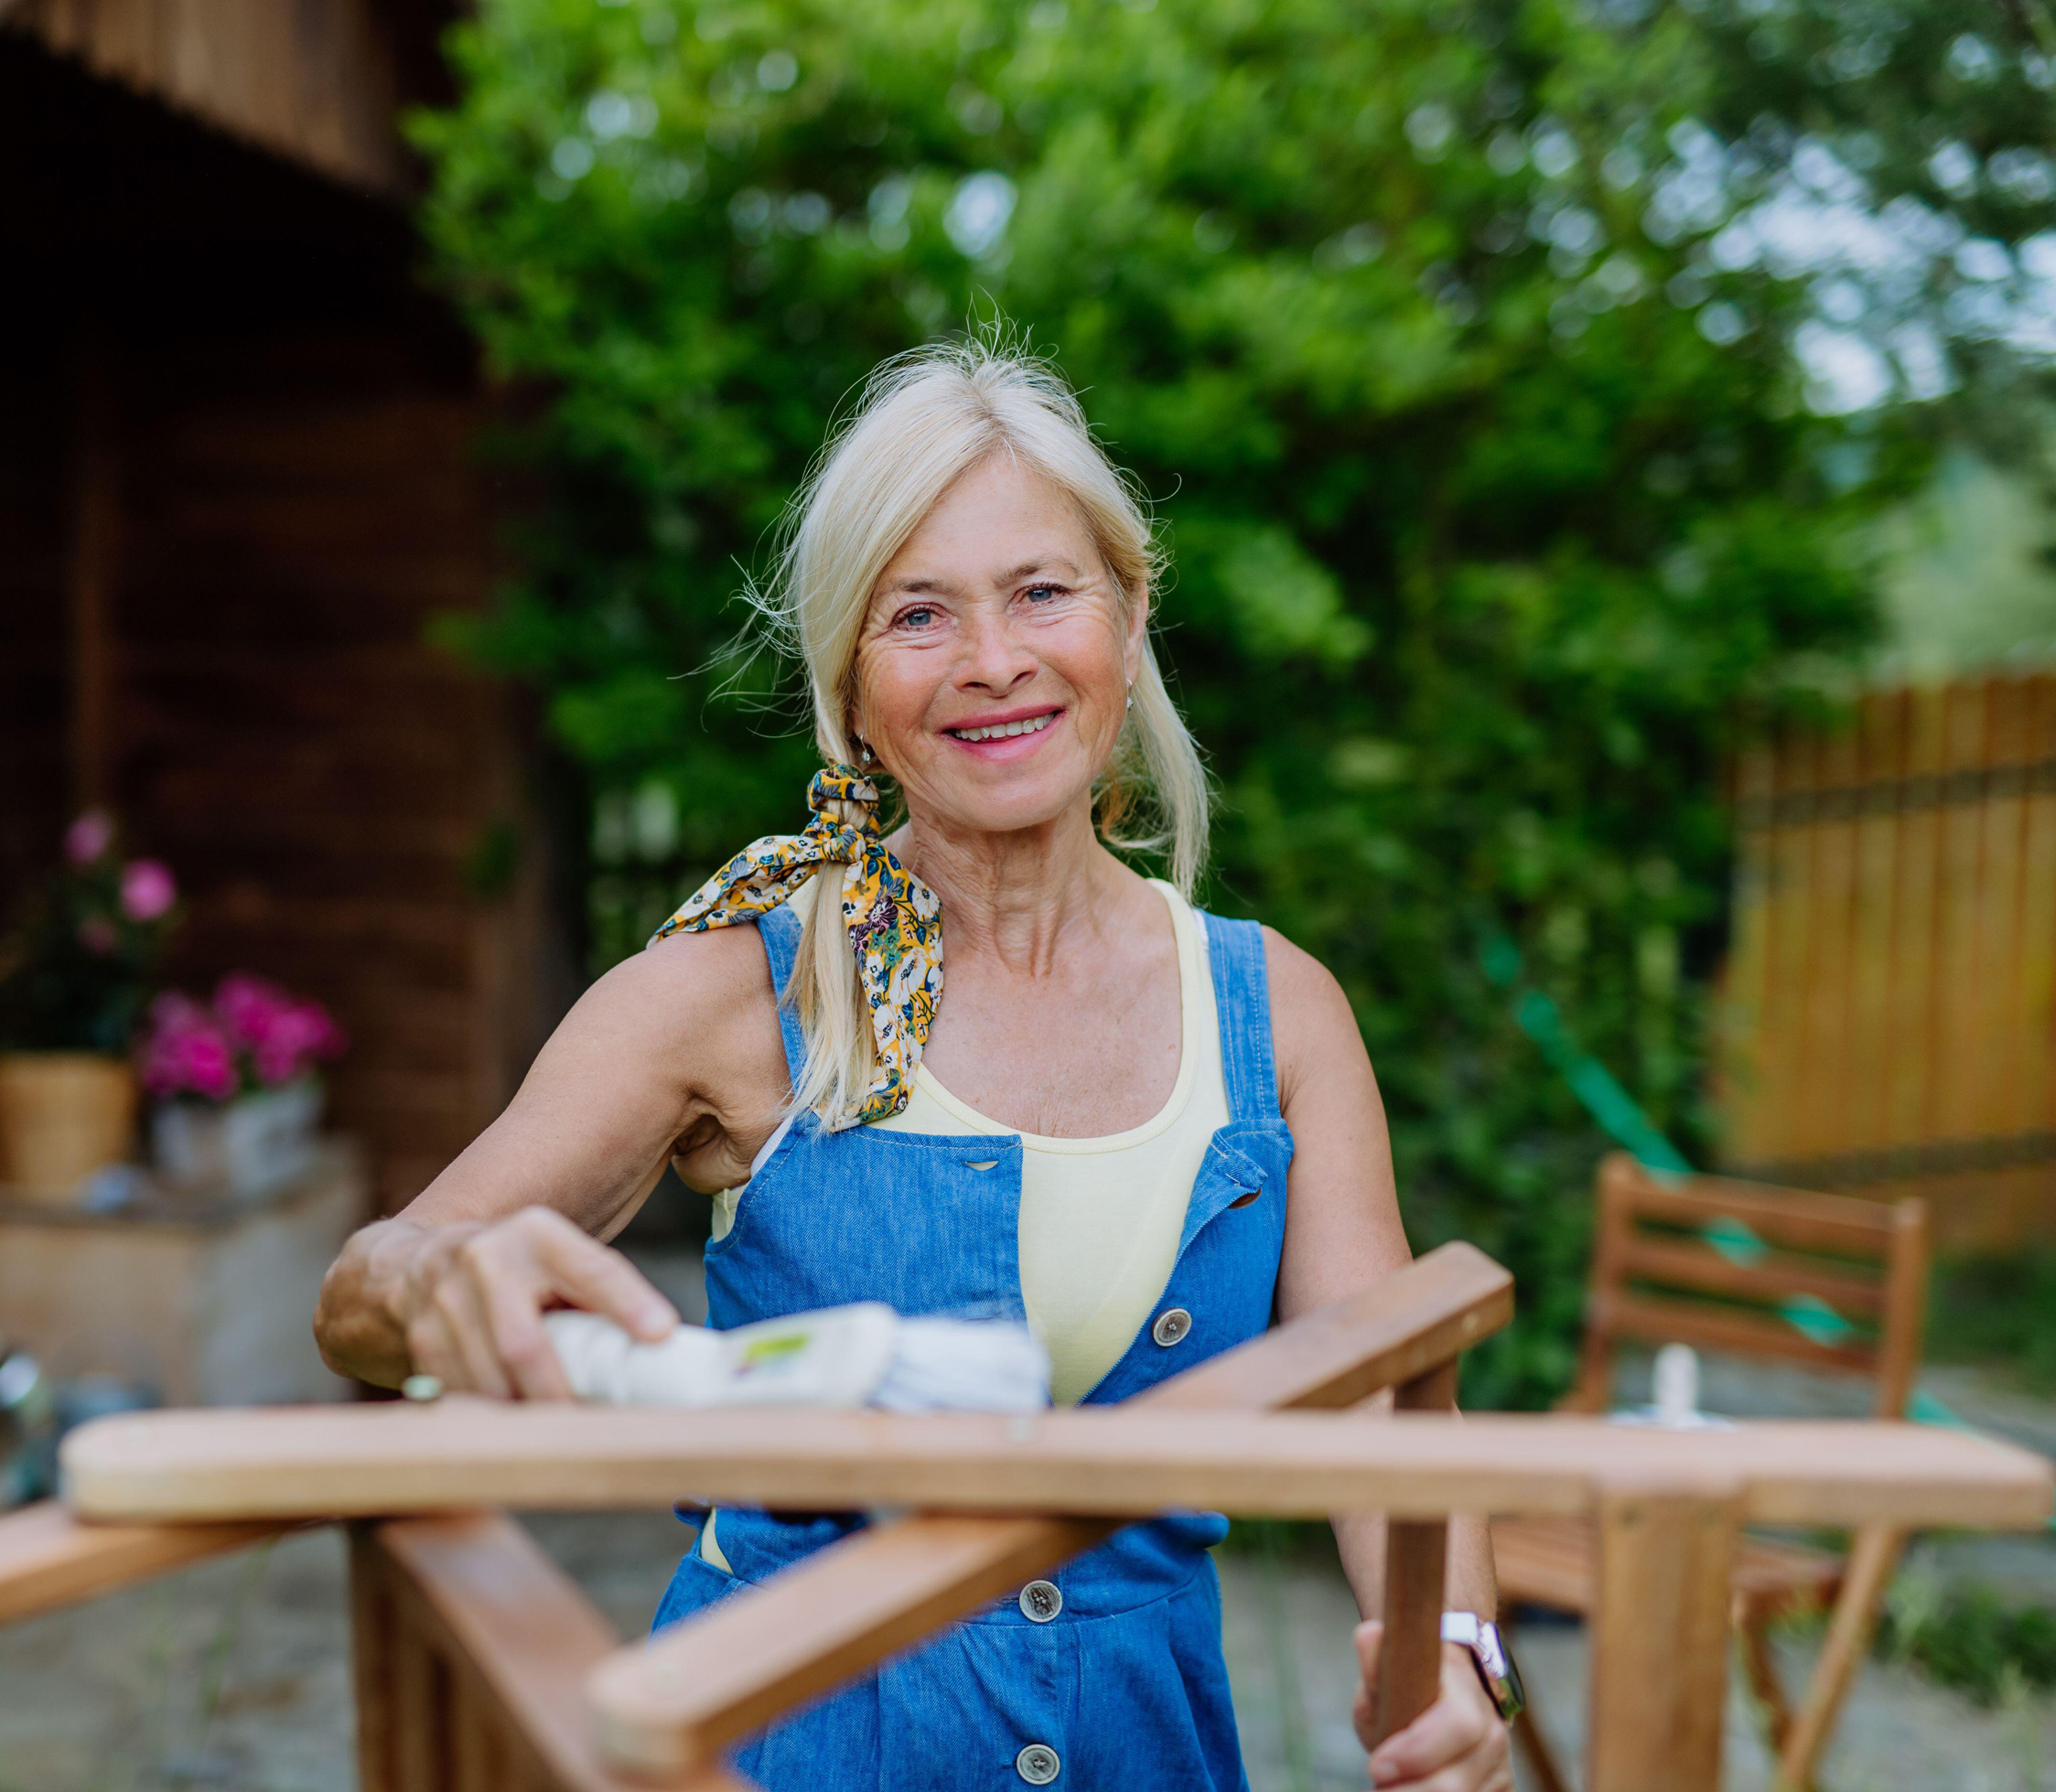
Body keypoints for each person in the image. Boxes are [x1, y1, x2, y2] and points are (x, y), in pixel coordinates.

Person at [315, 338, 1512, 1791]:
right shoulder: (730, 994)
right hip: (787, 1746)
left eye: (1041, 592)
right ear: (849, 679)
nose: (992, 660)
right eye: (917, 613)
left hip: (1147, 1746)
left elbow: (1381, 1404)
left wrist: (1446, 1645)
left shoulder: (1277, 1011)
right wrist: (435, 1282)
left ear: (1126, 620)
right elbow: (371, 1292)